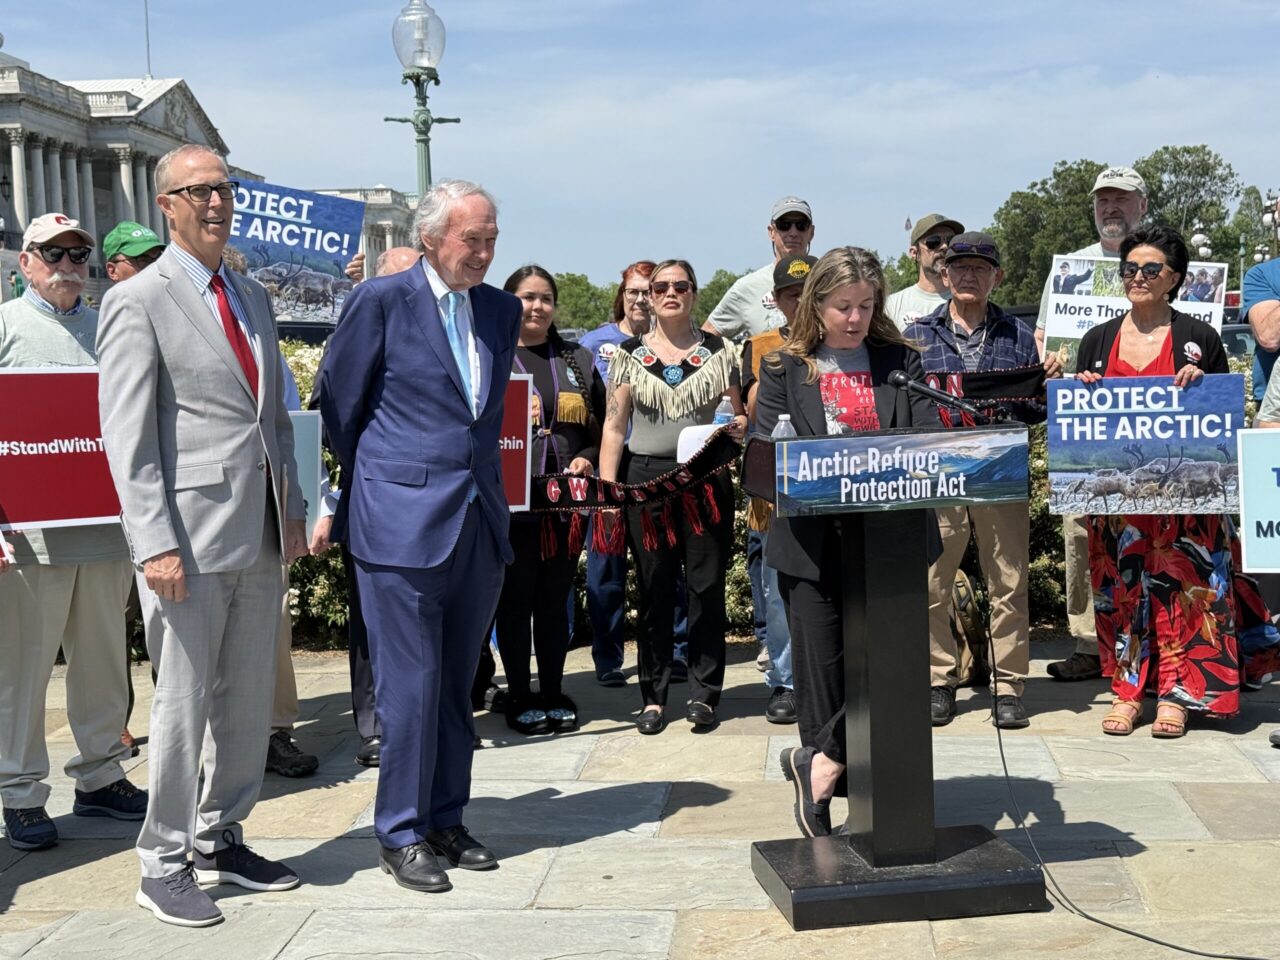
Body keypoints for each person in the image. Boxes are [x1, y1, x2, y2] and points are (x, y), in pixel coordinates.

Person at [97, 145, 309, 927]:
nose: (217, 201)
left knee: (248, 700)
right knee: (183, 704)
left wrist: (290, 506)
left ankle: (222, 835)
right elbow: (127, 435)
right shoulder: (138, 300)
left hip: (256, 530)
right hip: (183, 538)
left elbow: (273, 417)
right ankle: (163, 862)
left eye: (224, 188)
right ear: (167, 204)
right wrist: (152, 539)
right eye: (200, 190)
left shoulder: (250, 294)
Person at [320, 179, 520, 894]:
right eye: (473, 238)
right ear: (433, 237)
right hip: (399, 525)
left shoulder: (500, 310)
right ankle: (399, 831)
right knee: (409, 687)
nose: (485, 251)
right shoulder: (381, 301)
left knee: (457, 686)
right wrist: (389, 481)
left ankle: (445, 818)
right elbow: (342, 407)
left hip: (476, 521)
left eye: (493, 237)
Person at [757, 246, 940, 837]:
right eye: (843, 306)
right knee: (823, 669)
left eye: (866, 305)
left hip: (889, 541)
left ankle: (824, 762)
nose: (855, 318)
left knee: (884, 666)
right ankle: (822, 758)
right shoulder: (785, 367)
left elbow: (927, 439)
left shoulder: (900, 361)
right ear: (817, 304)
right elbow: (764, 452)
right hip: (812, 545)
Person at [1076, 224, 1279, 738]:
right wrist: (1084, 388)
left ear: (1175, 280)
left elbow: (1222, 417)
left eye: (1151, 269)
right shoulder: (1097, 341)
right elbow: (1080, 423)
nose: (1137, 277)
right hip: (1122, 509)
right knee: (1123, 598)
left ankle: (1177, 695)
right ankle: (1128, 692)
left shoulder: (1199, 339)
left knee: (1186, 595)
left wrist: (1202, 386)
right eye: (1130, 268)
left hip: (1187, 503)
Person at [0, 213, 146, 852]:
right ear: (25, 261)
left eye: (79, 254)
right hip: (29, 537)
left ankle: (98, 774)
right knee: (22, 671)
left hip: (108, 529)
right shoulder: (5, 327)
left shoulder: (111, 325)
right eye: (53, 252)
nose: (68, 264)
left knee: (103, 666)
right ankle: (21, 791)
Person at [907, 232, 1061, 730]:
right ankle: (938, 680)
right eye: (960, 267)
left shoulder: (1018, 335)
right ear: (943, 273)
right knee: (931, 582)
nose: (969, 276)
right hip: (940, 470)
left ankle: (1009, 686)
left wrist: (1049, 382)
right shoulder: (915, 334)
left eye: (981, 268)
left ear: (997, 276)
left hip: (1001, 470)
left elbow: (1035, 410)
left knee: (1009, 582)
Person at [600, 259, 747, 734]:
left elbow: (738, 415)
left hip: (706, 477)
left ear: (693, 293)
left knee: (706, 588)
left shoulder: (723, 351)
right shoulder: (627, 354)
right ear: (647, 296)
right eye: (659, 287)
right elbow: (614, 426)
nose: (668, 293)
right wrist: (608, 490)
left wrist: (739, 426)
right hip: (648, 479)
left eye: (679, 286)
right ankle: (654, 697)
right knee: (654, 588)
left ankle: (705, 694)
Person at [309, 245, 423, 768]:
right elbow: (330, 413)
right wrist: (369, 469)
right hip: (373, 498)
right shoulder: (352, 335)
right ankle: (375, 727)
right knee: (372, 624)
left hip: (432, 507)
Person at [1038, 165, 1148, 683]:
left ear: (1141, 208)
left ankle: (1153, 639)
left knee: (1157, 533)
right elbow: (1044, 339)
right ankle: (1088, 642)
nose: (1112, 209)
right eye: (1104, 200)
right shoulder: (1068, 270)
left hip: (1155, 424)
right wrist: (1052, 364)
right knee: (1081, 535)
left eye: (1122, 201)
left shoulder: (1160, 259)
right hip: (1087, 426)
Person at [494, 266, 604, 733]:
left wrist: (585, 458)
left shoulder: (576, 358)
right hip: (510, 502)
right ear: (508, 301)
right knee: (516, 601)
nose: (537, 307)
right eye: (526, 297)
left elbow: (601, 432)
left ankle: (555, 689)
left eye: (545, 298)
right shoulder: (490, 356)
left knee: (556, 598)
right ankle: (519, 693)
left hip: (562, 502)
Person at [739, 253, 818, 724]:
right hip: (778, 477)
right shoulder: (760, 345)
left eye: (809, 294)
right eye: (792, 295)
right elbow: (747, 411)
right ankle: (785, 680)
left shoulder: (841, 342)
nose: (800, 303)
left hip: (829, 479)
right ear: (778, 299)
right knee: (776, 585)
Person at [579, 261, 656, 685]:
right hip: (611, 465)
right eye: (634, 291)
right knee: (605, 565)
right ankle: (607, 658)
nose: (642, 298)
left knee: (660, 564)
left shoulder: (672, 343)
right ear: (621, 296)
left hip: (654, 465)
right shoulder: (594, 344)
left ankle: (671, 650)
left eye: (650, 290)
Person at [884, 214, 963, 329]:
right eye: (934, 242)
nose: (944, 247)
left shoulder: (968, 301)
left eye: (951, 241)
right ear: (914, 253)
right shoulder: (892, 306)